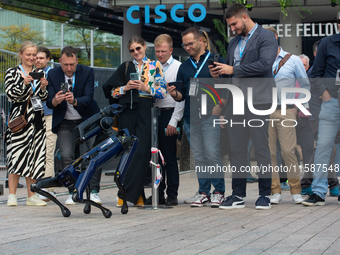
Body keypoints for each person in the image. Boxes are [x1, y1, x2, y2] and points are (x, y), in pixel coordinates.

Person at [210, 3, 278, 210]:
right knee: (236, 149)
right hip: (236, 102)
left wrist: (234, 68)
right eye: (230, 26)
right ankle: (238, 194)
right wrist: (222, 72)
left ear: (245, 16)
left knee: (261, 147)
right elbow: (232, 74)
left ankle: (265, 195)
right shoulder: (233, 43)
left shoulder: (266, 37)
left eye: (234, 24)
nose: (232, 28)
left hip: (259, 100)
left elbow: (265, 65)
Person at [103, 36, 166, 207]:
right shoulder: (125, 66)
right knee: (128, 152)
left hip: (145, 108)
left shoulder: (154, 65)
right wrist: (126, 87)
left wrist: (147, 88)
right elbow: (110, 92)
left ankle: (129, 194)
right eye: (132, 50)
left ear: (145, 47)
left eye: (138, 48)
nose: (136, 52)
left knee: (142, 152)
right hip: (127, 111)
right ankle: (133, 195)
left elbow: (163, 92)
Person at [167, 27, 226, 208]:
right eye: (184, 45)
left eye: (190, 43)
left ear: (201, 40)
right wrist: (174, 93)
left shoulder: (216, 61)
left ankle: (218, 192)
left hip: (210, 115)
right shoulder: (184, 66)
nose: (187, 47)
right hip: (190, 117)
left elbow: (228, 88)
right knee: (199, 157)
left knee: (212, 153)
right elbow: (182, 96)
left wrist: (219, 107)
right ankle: (203, 192)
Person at [46, 46, 101, 205]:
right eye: (65, 65)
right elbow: (49, 102)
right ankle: (73, 191)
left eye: (72, 64)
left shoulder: (87, 71)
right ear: (59, 62)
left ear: (77, 61)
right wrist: (56, 100)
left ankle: (95, 191)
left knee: (95, 154)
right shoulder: (53, 74)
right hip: (65, 122)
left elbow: (89, 97)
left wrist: (74, 100)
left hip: (88, 120)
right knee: (66, 156)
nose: (69, 68)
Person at [264, 27, 309, 204]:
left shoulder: (293, 60)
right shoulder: (261, 60)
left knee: (288, 151)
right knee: (269, 153)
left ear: (275, 37)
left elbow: (305, 85)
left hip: (287, 109)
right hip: (265, 110)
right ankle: (275, 191)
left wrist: (297, 108)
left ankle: (295, 190)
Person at [302, 12, 340, 206]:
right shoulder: (327, 43)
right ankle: (318, 192)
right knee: (323, 147)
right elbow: (316, 73)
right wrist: (325, 94)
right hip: (331, 102)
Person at [5, 41, 48, 206]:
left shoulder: (40, 72)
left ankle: (32, 196)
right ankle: (12, 195)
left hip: (36, 119)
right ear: (21, 55)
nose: (31, 57)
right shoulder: (13, 72)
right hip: (19, 119)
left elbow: (43, 98)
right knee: (16, 155)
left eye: (34, 54)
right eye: (28, 54)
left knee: (35, 157)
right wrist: (24, 83)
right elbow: (10, 94)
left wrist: (44, 87)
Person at [144, 34, 183, 206]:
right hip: (153, 114)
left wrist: (173, 121)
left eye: (163, 51)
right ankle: (157, 193)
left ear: (171, 50)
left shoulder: (178, 67)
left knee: (169, 158)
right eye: (157, 51)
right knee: (155, 158)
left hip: (170, 114)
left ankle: (172, 194)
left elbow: (182, 98)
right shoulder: (151, 67)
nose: (160, 54)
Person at [35, 46, 58, 201]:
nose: (38, 60)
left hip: (49, 116)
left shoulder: (53, 74)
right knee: (36, 153)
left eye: (41, 58)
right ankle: (37, 187)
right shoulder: (30, 75)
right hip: (34, 117)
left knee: (48, 152)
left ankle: (48, 189)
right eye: (36, 58)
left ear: (48, 59)